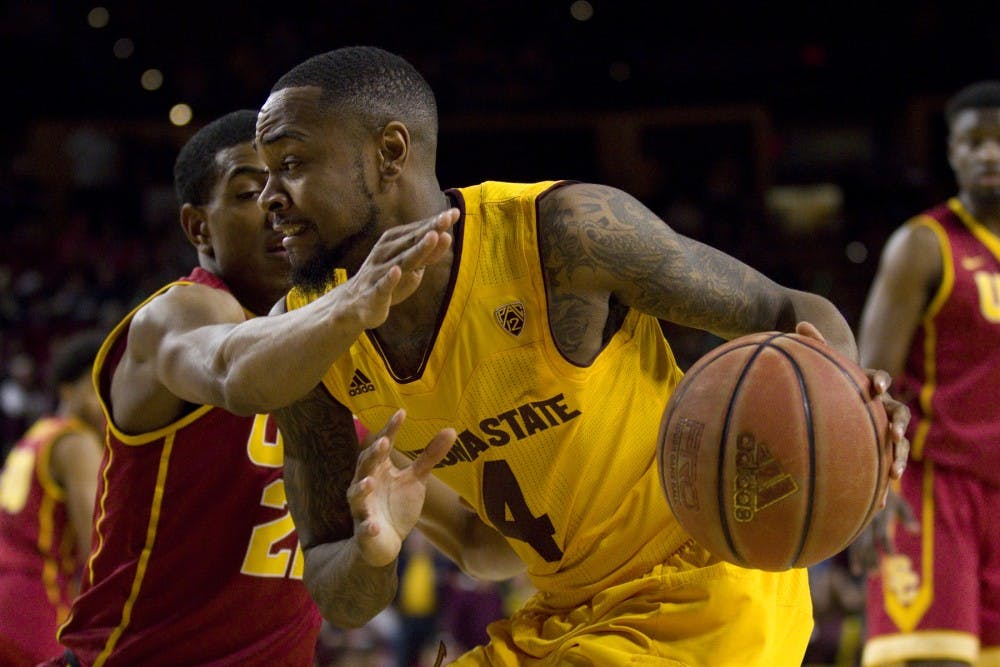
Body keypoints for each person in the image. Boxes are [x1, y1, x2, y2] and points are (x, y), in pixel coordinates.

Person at [254, 45, 911, 665]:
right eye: (261, 174)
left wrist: (850, 409)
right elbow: (371, 584)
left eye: (292, 163)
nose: (269, 197)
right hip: (563, 614)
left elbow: (793, 312)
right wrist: (374, 548)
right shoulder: (305, 346)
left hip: (706, 592)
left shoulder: (561, 236)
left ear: (389, 152)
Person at [49, 109, 458, 667]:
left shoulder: (336, 351)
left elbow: (473, 537)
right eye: (247, 191)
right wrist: (353, 298)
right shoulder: (182, 312)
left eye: (287, 183)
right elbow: (234, 372)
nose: (274, 202)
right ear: (198, 228)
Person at [850, 81, 1000, 667]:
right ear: (952, 152)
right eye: (974, 142)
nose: (988, 154)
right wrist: (866, 500)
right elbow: (869, 382)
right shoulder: (923, 245)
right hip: (935, 489)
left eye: (999, 142)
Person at [0, 330, 105, 665]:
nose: (102, 404)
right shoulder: (77, 442)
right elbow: (97, 547)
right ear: (66, 390)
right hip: (36, 602)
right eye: (93, 391)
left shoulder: (37, 433)